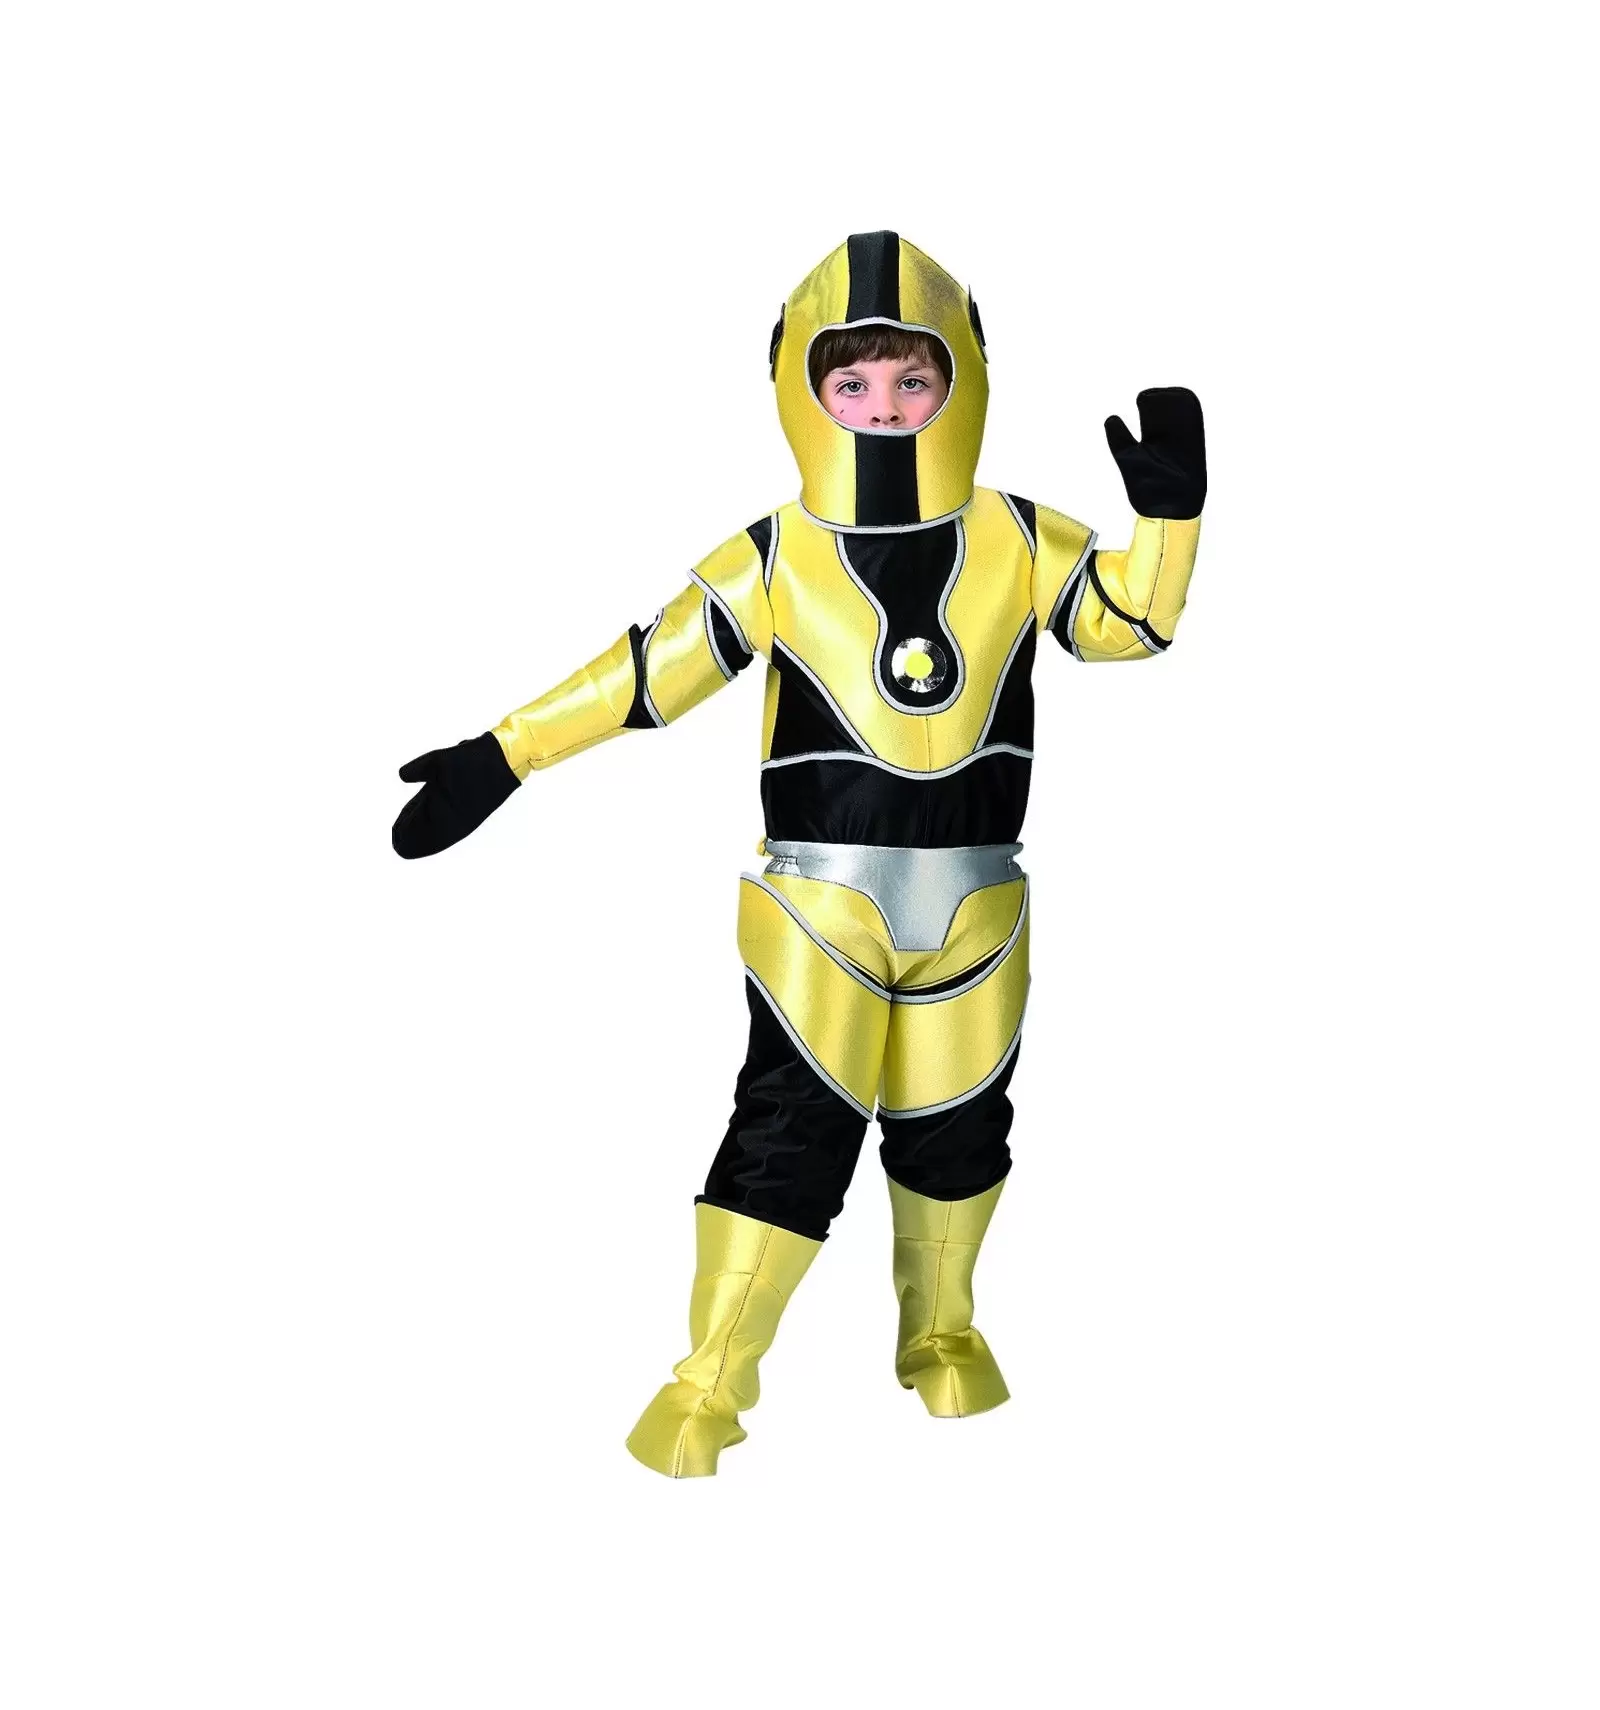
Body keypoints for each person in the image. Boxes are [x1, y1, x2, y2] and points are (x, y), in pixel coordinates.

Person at [392, 231, 1207, 1479]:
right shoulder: (775, 553)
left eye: (913, 379)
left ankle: (942, 1340)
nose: (883, 407)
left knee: (960, 1135)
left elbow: (1127, 625)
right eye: (853, 381)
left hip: (981, 903)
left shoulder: (1021, 535)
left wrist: (1169, 521)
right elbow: (650, 672)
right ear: (801, 390)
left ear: (962, 382)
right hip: (822, 905)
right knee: (789, 1137)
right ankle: (704, 1392)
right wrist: (504, 754)